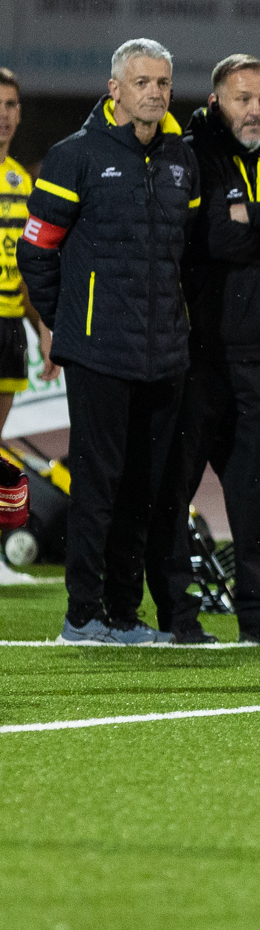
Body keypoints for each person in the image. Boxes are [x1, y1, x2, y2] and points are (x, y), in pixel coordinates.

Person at [17, 39, 200, 642]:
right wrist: (66, 320)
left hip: (164, 351)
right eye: (143, 82)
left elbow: (189, 255)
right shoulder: (75, 157)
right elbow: (36, 250)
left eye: (164, 82)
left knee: (145, 489)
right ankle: (82, 614)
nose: (155, 92)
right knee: (99, 484)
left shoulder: (181, 161)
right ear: (115, 89)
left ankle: (123, 613)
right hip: (99, 350)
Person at [148, 54, 260, 645]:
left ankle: (259, 615)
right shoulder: (195, 151)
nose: (256, 109)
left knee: (259, 490)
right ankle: (179, 618)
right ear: (216, 100)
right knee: (174, 489)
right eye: (243, 98)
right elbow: (214, 237)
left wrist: (252, 214)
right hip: (196, 354)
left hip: (256, 353)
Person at [0, 67, 59, 584]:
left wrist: (42, 323)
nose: (3, 114)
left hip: (8, 329)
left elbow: (31, 263)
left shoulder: (21, 181)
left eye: (12, 104)